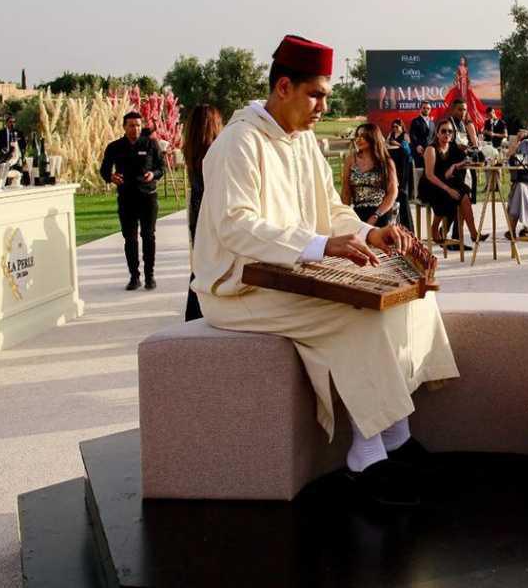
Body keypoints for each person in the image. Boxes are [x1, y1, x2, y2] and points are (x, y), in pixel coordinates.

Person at [192, 34, 458, 506]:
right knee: (358, 315)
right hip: (239, 288)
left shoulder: (303, 142)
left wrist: (370, 233)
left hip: (291, 272)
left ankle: (396, 436)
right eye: (315, 95)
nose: (323, 106)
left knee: (415, 297)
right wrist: (319, 246)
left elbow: (331, 210)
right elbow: (236, 227)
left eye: (326, 96)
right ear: (283, 87)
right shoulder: (239, 142)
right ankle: (366, 453)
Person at [100, 111, 165, 291]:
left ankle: (150, 276)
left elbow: (161, 168)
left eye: (137, 125)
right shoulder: (115, 147)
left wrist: (153, 174)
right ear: (124, 127)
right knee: (130, 238)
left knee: (148, 236)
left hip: (148, 197)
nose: (135, 129)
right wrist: (111, 177)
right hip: (126, 198)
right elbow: (104, 170)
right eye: (131, 125)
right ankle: (134, 277)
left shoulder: (151, 144)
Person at [183, 104, 224, 321]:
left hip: (197, 216)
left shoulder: (191, 152)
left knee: (199, 268)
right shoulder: (216, 154)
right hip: (211, 217)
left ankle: (193, 317)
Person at [417, 118, 485, 250]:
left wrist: (456, 164)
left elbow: (470, 157)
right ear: (437, 133)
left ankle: (473, 233)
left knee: (464, 193)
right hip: (431, 185)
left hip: (446, 181)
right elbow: (430, 175)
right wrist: (448, 189)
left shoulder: (453, 147)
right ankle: (435, 227)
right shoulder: (431, 149)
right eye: (443, 131)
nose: (447, 134)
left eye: (450, 131)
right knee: (451, 194)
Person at [342, 123, 400, 227]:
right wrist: (344, 215)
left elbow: (393, 192)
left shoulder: (386, 162)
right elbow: (346, 191)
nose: (358, 140)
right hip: (358, 211)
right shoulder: (350, 160)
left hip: (381, 211)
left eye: (363, 136)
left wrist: (376, 215)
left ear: (373, 137)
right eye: (357, 136)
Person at [440, 54, 488, 130]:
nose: (461, 61)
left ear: (465, 61)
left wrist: (469, 83)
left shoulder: (466, 68)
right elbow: (457, 76)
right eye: (461, 60)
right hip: (461, 82)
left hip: (465, 83)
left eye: (463, 60)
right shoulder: (459, 67)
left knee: (469, 98)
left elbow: (468, 77)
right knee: (458, 95)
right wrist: (458, 81)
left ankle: (466, 108)